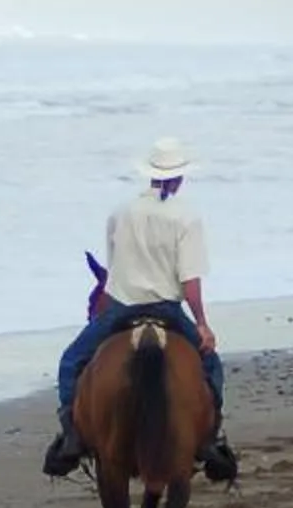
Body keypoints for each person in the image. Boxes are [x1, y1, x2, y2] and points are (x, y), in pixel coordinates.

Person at [45, 137, 241, 484]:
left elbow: (114, 268)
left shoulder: (120, 213)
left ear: (150, 175)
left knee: (71, 362)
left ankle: (71, 437)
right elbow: (190, 280)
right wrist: (202, 325)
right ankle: (209, 441)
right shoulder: (186, 218)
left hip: (121, 310)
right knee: (210, 366)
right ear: (179, 178)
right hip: (168, 310)